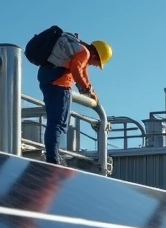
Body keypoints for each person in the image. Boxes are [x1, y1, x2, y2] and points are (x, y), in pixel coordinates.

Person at [37, 33, 112, 165]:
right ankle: (52, 157)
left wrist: (90, 90)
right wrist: (86, 88)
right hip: (59, 86)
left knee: (57, 122)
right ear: (96, 56)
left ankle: (53, 154)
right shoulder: (84, 53)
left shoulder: (81, 50)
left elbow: (83, 72)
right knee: (57, 123)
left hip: (51, 82)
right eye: (97, 63)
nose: (95, 65)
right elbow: (76, 70)